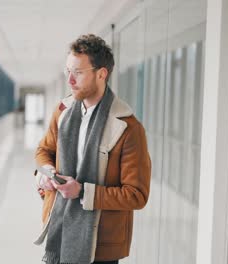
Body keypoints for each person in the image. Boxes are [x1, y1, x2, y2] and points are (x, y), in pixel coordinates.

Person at [33, 34, 151, 264]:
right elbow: (44, 150)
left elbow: (137, 195)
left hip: (101, 247)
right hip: (58, 232)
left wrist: (82, 192)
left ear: (101, 74)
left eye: (77, 72)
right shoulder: (63, 112)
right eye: (68, 71)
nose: (70, 80)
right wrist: (46, 173)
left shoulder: (128, 128)